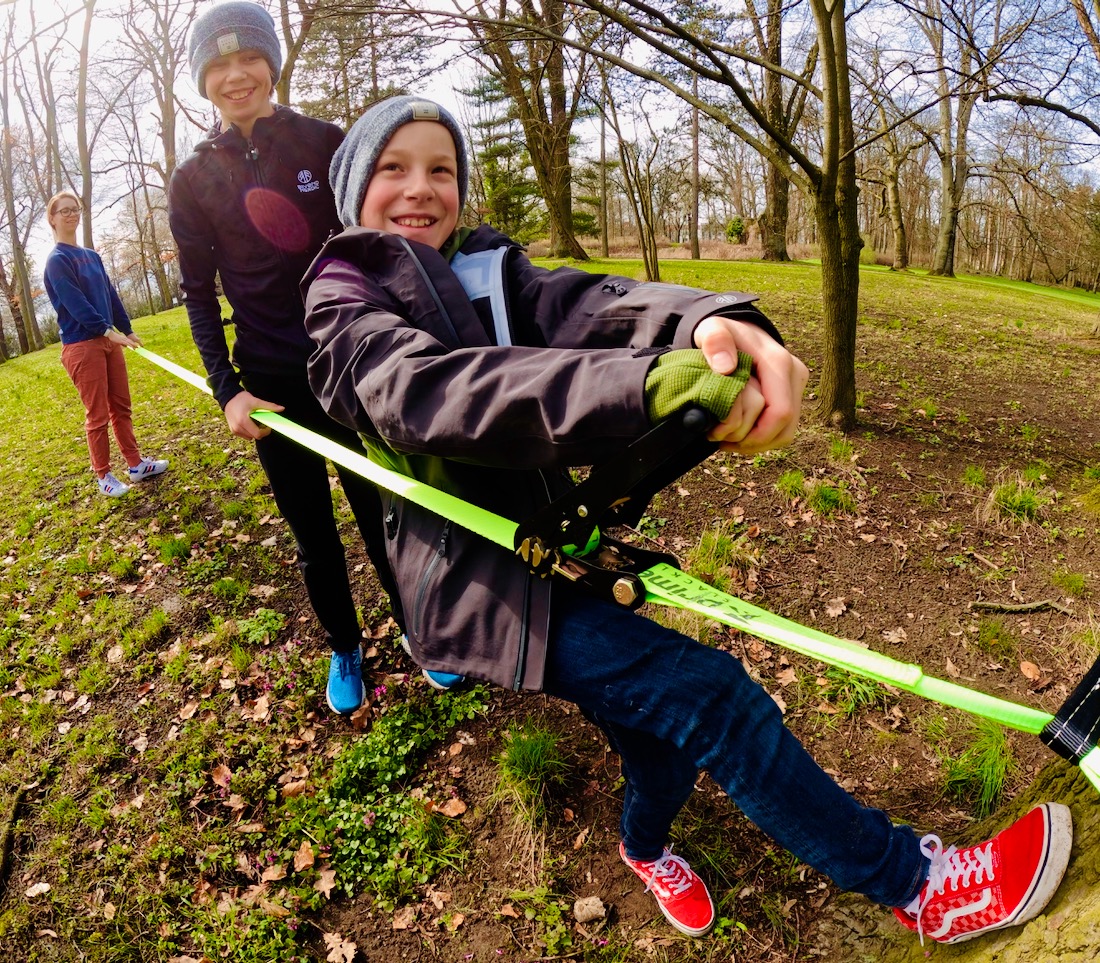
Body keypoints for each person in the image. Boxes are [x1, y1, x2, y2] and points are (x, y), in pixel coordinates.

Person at [301, 96, 1073, 945]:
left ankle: (643, 845)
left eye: (441, 169)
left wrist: (705, 321)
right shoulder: (341, 298)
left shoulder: (481, 266)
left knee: (658, 739)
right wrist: (646, 388)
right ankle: (920, 885)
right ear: (351, 189)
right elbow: (432, 393)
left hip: (563, 550)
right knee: (713, 699)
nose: (422, 189)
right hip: (483, 588)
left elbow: (584, 303)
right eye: (393, 168)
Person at [167, 1, 404, 716]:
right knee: (312, 534)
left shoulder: (325, 142)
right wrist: (228, 391)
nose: (236, 76)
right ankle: (345, 643)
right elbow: (198, 295)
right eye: (218, 65)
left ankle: (423, 628)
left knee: (384, 510)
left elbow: (373, 242)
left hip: (349, 368)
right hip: (270, 387)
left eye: (249, 59)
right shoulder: (191, 180)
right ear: (203, 80)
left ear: (272, 63)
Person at [43, 190, 169, 498]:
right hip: (82, 345)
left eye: (75, 209)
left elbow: (110, 295)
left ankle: (136, 464)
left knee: (121, 406)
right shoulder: (57, 260)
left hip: (110, 341)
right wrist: (105, 330)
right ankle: (103, 476)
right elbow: (75, 302)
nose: (71, 214)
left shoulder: (93, 256)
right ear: (52, 218)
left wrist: (125, 329)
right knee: (97, 414)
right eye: (64, 211)